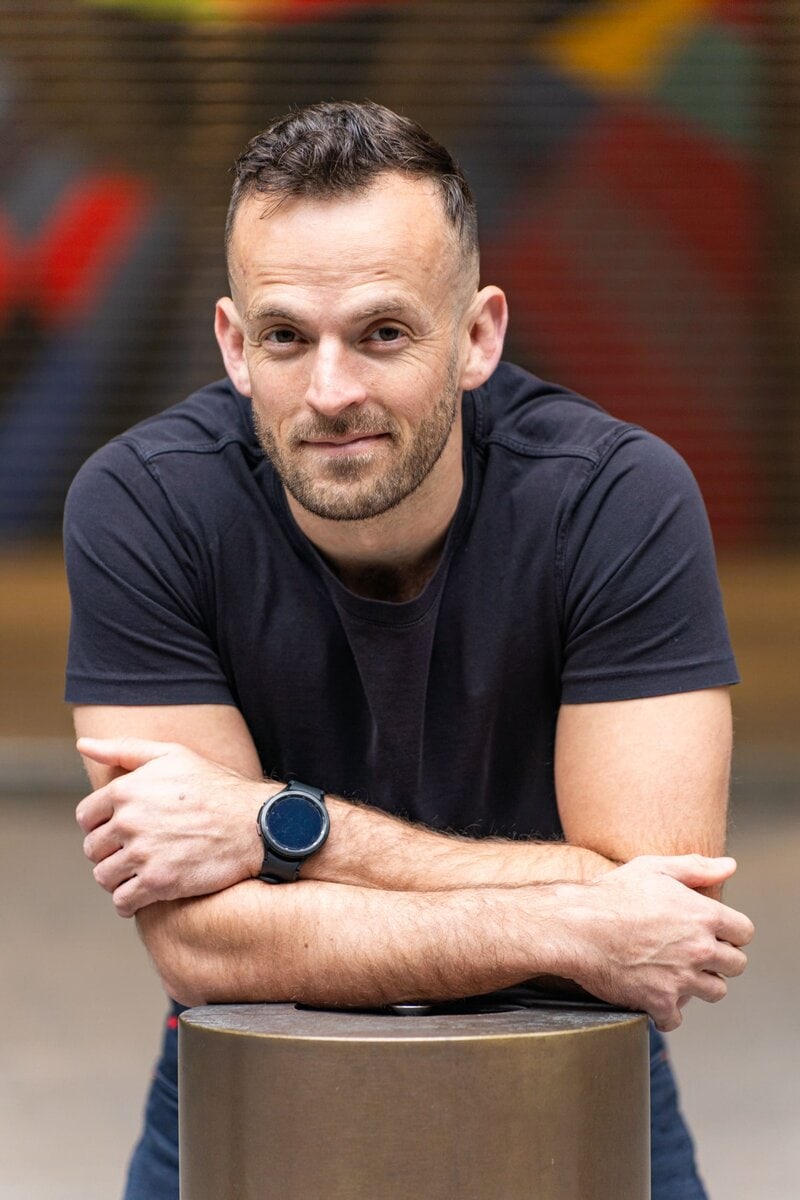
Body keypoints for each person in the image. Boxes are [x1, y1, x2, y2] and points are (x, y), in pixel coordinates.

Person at [64, 101, 753, 1200]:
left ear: (477, 336)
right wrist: (572, 917)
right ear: (234, 346)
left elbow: (656, 902)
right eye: (286, 337)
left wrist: (273, 826)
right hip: (251, 1077)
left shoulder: (616, 500)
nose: (331, 392)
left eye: (383, 333)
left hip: (566, 1077)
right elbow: (208, 949)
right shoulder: (144, 506)